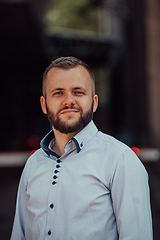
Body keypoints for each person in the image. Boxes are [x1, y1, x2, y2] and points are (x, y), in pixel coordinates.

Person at [11, 56, 153, 240]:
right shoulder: (33, 163)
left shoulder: (121, 160)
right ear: (44, 104)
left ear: (94, 102)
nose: (69, 101)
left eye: (78, 92)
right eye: (58, 93)